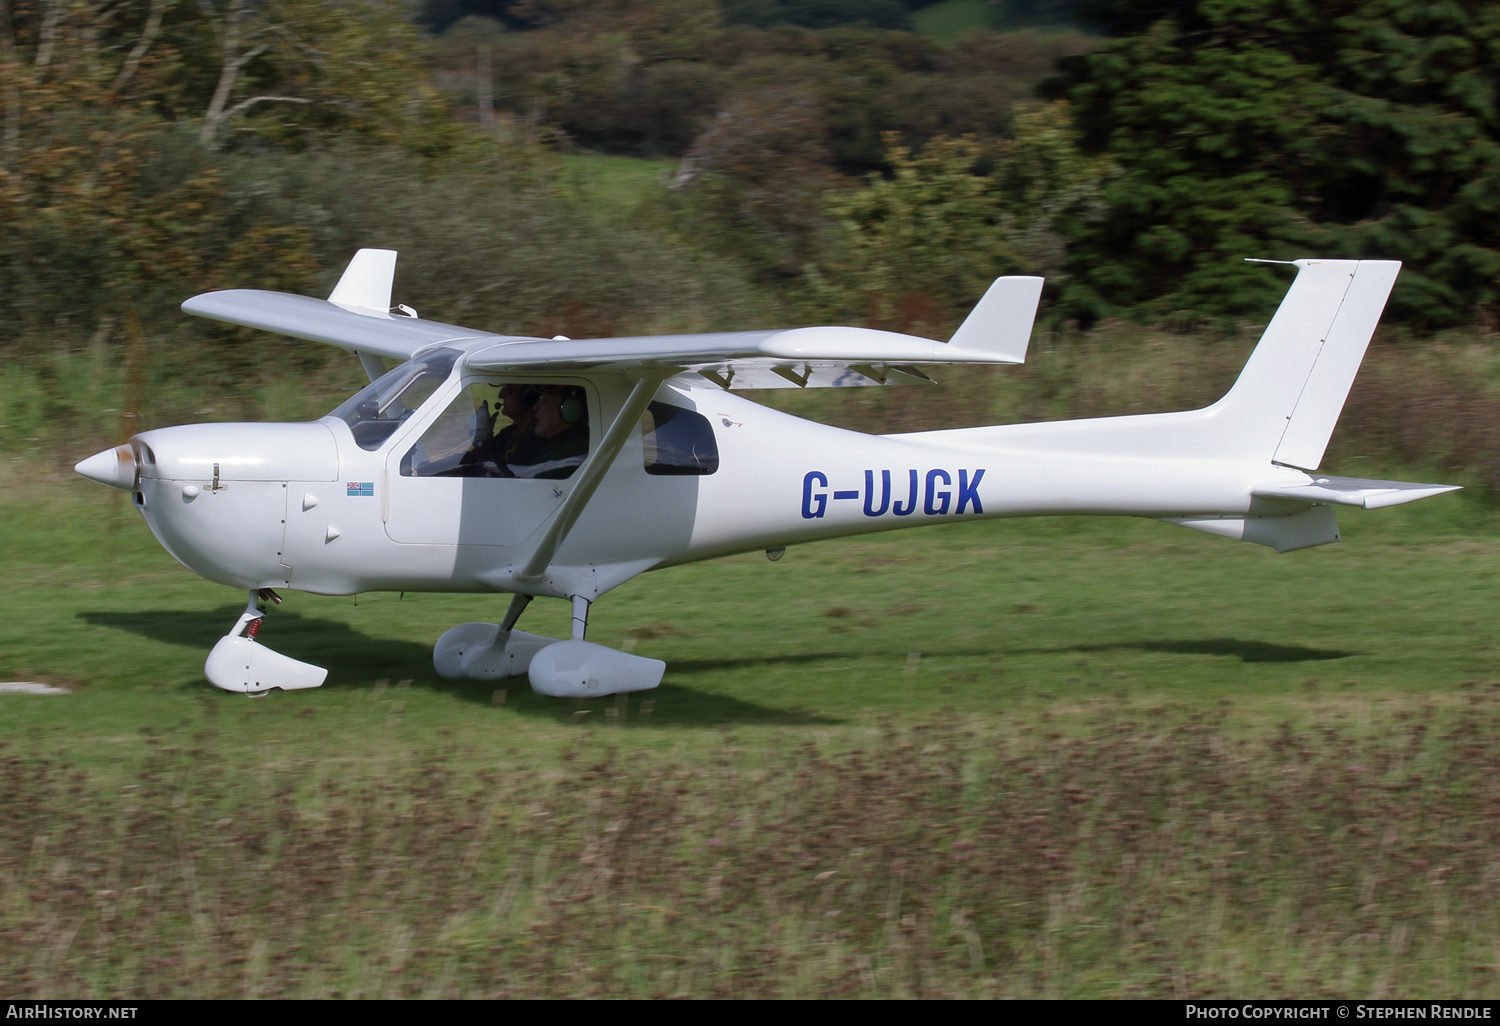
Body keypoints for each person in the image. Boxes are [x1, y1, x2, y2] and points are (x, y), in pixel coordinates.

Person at [511, 385, 588, 479]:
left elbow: (534, 484)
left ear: (569, 408)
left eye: (544, 400)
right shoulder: (552, 444)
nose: (535, 407)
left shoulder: (574, 451)